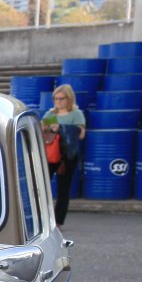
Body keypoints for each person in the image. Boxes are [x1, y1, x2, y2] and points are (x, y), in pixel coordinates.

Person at [45, 84, 87, 224]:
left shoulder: (76, 114)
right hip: (51, 154)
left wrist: (61, 128)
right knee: (43, 185)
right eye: (55, 98)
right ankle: (44, 217)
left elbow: (80, 133)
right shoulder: (51, 114)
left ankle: (58, 220)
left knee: (63, 188)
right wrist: (48, 127)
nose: (58, 101)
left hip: (67, 155)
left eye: (61, 98)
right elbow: (45, 131)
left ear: (69, 99)